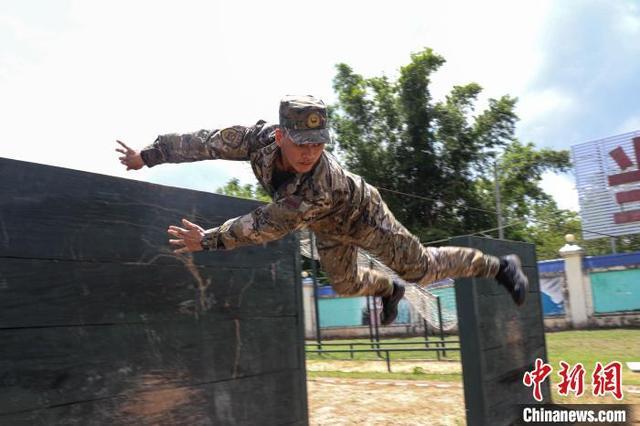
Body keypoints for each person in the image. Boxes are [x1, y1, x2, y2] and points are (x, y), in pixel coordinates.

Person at [116, 95, 528, 325]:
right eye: (300, 143)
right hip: (328, 229)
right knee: (346, 285)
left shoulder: (315, 187)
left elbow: (262, 226)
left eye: (318, 143)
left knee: (418, 267)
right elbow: (203, 141)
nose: (309, 152)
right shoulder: (253, 140)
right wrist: (149, 156)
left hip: (362, 215)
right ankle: (389, 291)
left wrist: (208, 240)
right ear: (279, 136)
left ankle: (499, 267)